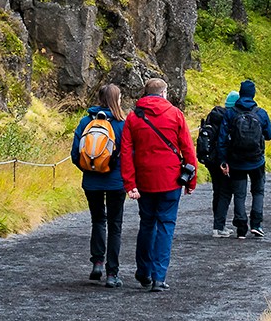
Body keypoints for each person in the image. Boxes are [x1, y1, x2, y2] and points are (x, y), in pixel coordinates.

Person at [122, 78, 196, 291]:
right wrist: (191, 180)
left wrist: (130, 183)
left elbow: (126, 153)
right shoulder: (175, 114)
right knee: (166, 226)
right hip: (170, 179)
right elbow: (188, 149)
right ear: (164, 93)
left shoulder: (133, 117)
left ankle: (144, 272)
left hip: (144, 180)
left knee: (147, 224)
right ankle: (159, 277)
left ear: (145, 93)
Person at [71, 84, 127, 287]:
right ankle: (112, 274)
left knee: (97, 220)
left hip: (91, 182)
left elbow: (75, 154)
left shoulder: (86, 121)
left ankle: (97, 262)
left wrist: (90, 169)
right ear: (116, 99)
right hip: (116, 182)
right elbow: (129, 155)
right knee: (115, 225)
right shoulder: (122, 124)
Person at [223, 79, 271, 238]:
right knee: (258, 191)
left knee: (239, 194)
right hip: (257, 160)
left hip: (236, 161)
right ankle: (256, 224)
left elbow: (222, 139)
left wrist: (223, 160)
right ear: (253, 94)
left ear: (240, 93)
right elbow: (269, 135)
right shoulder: (261, 113)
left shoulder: (231, 113)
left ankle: (241, 228)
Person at [196, 91, 239, 238]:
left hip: (210, 159)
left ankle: (218, 224)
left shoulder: (214, 115)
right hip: (221, 160)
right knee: (225, 192)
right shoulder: (229, 118)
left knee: (217, 191)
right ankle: (219, 227)